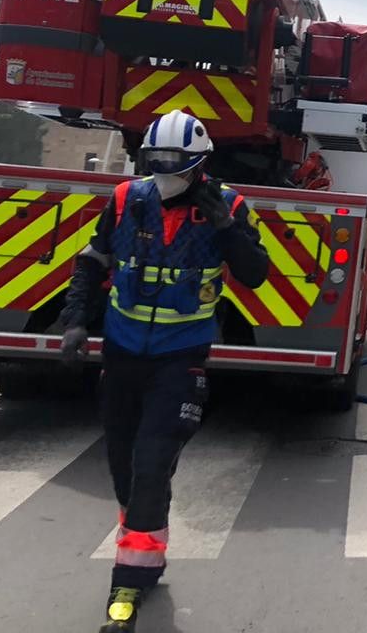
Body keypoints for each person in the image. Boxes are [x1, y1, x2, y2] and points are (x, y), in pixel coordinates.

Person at [59, 111, 269, 633]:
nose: (165, 172)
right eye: (157, 162)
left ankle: (124, 588)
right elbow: (93, 259)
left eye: (175, 165)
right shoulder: (127, 199)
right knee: (125, 469)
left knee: (152, 464)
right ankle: (146, 548)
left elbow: (257, 275)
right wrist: (74, 319)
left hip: (182, 359)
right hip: (123, 354)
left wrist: (225, 228)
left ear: (198, 166)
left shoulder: (231, 206)